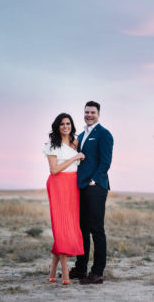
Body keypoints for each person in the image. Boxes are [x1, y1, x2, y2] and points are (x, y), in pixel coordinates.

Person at [69, 101, 114, 285]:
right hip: (81, 188)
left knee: (97, 230)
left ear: (99, 114)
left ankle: (97, 273)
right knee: (82, 230)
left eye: (92, 112)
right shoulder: (80, 135)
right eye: (86, 112)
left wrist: (93, 181)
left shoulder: (104, 134)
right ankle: (81, 268)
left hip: (96, 187)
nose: (89, 115)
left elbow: (105, 162)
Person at [43, 113, 86, 285]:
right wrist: (75, 157)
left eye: (68, 123)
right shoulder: (52, 145)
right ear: (57, 126)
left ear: (71, 125)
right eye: (62, 124)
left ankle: (52, 272)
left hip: (73, 185)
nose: (65, 126)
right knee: (61, 227)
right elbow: (54, 170)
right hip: (58, 184)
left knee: (70, 226)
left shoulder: (75, 142)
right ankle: (65, 272)